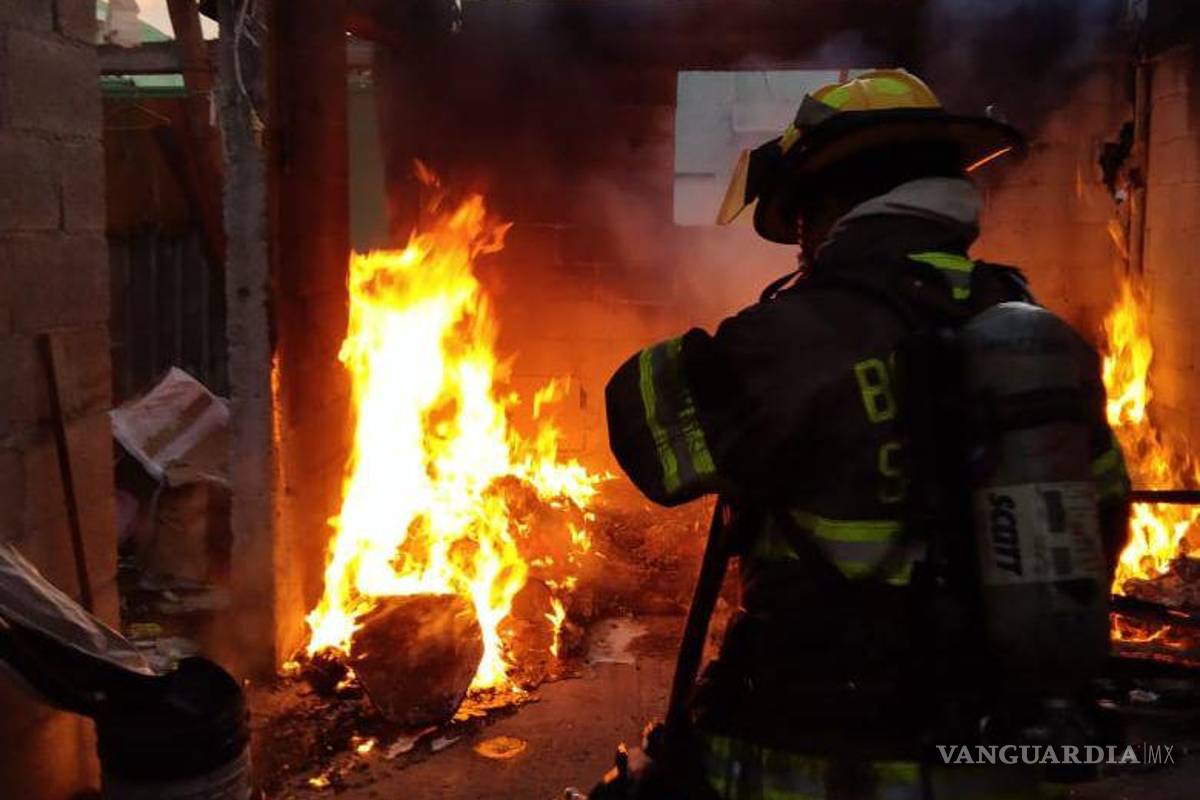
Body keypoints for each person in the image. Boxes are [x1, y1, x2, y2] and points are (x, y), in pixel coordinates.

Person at [603, 70, 1130, 799]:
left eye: (799, 226)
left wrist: (736, 347)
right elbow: (1101, 513)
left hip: (807, 756)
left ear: (827, 206)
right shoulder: (1044, 342)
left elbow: (652, 441)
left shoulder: (791, 340)